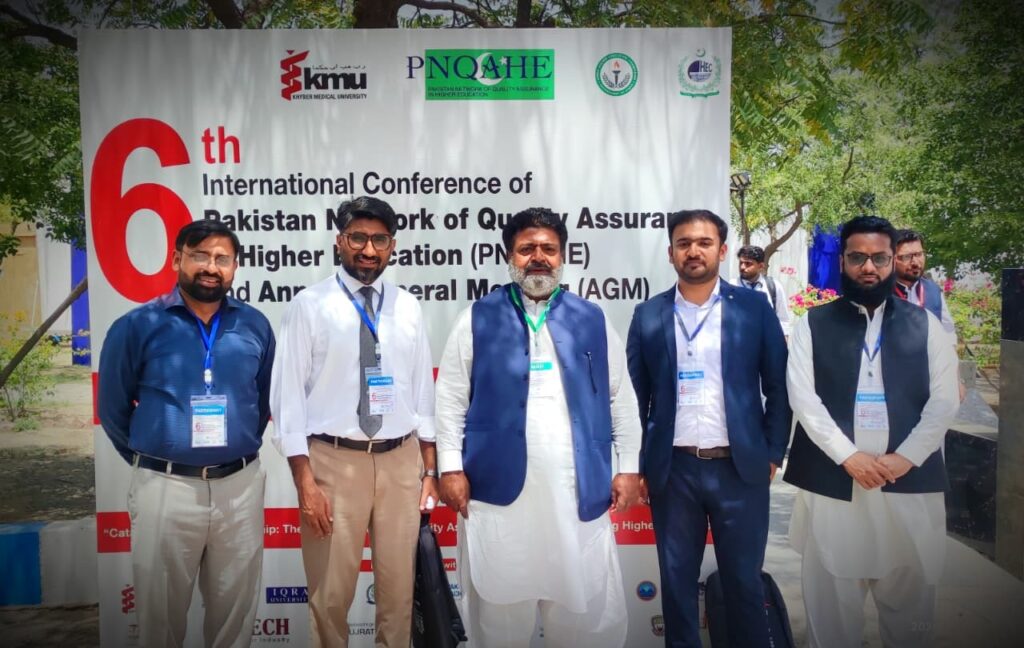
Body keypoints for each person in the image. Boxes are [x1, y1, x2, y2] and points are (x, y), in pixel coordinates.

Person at [435, 207, 642, 648]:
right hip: (499, 495)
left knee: (582, 616)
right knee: (500, 618)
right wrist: (449, 467)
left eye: (549, 248)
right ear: (509, 256)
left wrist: (627, 467)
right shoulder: (477, 317)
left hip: (574, 493)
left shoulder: (592, 318)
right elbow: (450, 400)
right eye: (526, 248)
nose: (538, 258)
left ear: (563, 256)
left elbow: (620, 398)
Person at [98, 220, 275, 648]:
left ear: (235, 267)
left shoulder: (255, 325)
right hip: (166, 488)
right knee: (160, 620)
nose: (211, 267)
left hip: (239, 487)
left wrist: (234, 449)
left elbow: (264, 399)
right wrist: (156, 458)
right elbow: (112, 410)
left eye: (222, 259)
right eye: (199, 256)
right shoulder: (138, 325)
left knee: (235, 617)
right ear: (177, 258)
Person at [784, 215, 959, 648]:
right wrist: (849, 456)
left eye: (879, 258)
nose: (869, 267)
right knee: (831, 617)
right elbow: (803, 397)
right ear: (842, 261)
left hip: (908, 484)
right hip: (834, 484)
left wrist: (906, 457)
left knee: (911, 616)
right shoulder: (813, 324)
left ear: (892, 260)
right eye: (857, 257)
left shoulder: (925, 325)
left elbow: (944, 401)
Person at [270, 196, 438, 647]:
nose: (368, 249)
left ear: (392, 246)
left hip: (401, 462)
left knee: (399, 597)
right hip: (333, 462)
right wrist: (305, 482)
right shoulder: (309, 305)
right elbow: (288, 400)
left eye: (379, 240)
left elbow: (422, 394)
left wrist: (429, 469)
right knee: (330, 597)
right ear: (339, 241)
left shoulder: (408, 306)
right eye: (358, 238)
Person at [626, 209, 791, 648]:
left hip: (740, 469)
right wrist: (638, 463)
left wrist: (773, 451)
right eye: (684, 243)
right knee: (676, 584)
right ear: (670, 253)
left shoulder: (754, 309)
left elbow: (778, 385)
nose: (693, 251)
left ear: (722, 250)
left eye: (703, 243)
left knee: (745, 584)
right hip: (673, 471)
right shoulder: (648, 314)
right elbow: (635, 398)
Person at [892, 229, 956, 340]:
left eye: (919, 254)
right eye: (907, 256)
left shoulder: (933, 291)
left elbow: (948, 332)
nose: (915, 262)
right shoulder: (880, 294)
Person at [737, 244, 793, 337]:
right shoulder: (731, 287)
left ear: (761, 266)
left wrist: (783, 342)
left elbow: (783, 320)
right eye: (741, 263)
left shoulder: (773, 286)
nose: (742, 267)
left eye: (748, 263)